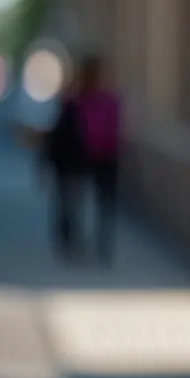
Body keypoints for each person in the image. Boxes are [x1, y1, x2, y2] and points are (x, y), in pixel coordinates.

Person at [75, 55, 121, 263]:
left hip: (106, 157)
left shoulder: (109, 99)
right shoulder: (80, 99)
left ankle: (102, 244)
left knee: (104, 204)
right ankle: (82, 242)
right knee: (81, 201)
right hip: (85, 156)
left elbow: (116, 128)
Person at [42, 73, 86, 260]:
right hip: (72, 168)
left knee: (66, 206)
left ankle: (68, 240)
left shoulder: (63, 115)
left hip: (67, 168)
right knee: (70, 206)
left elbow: (50, 145)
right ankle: (69, 240)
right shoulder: (71, 115)